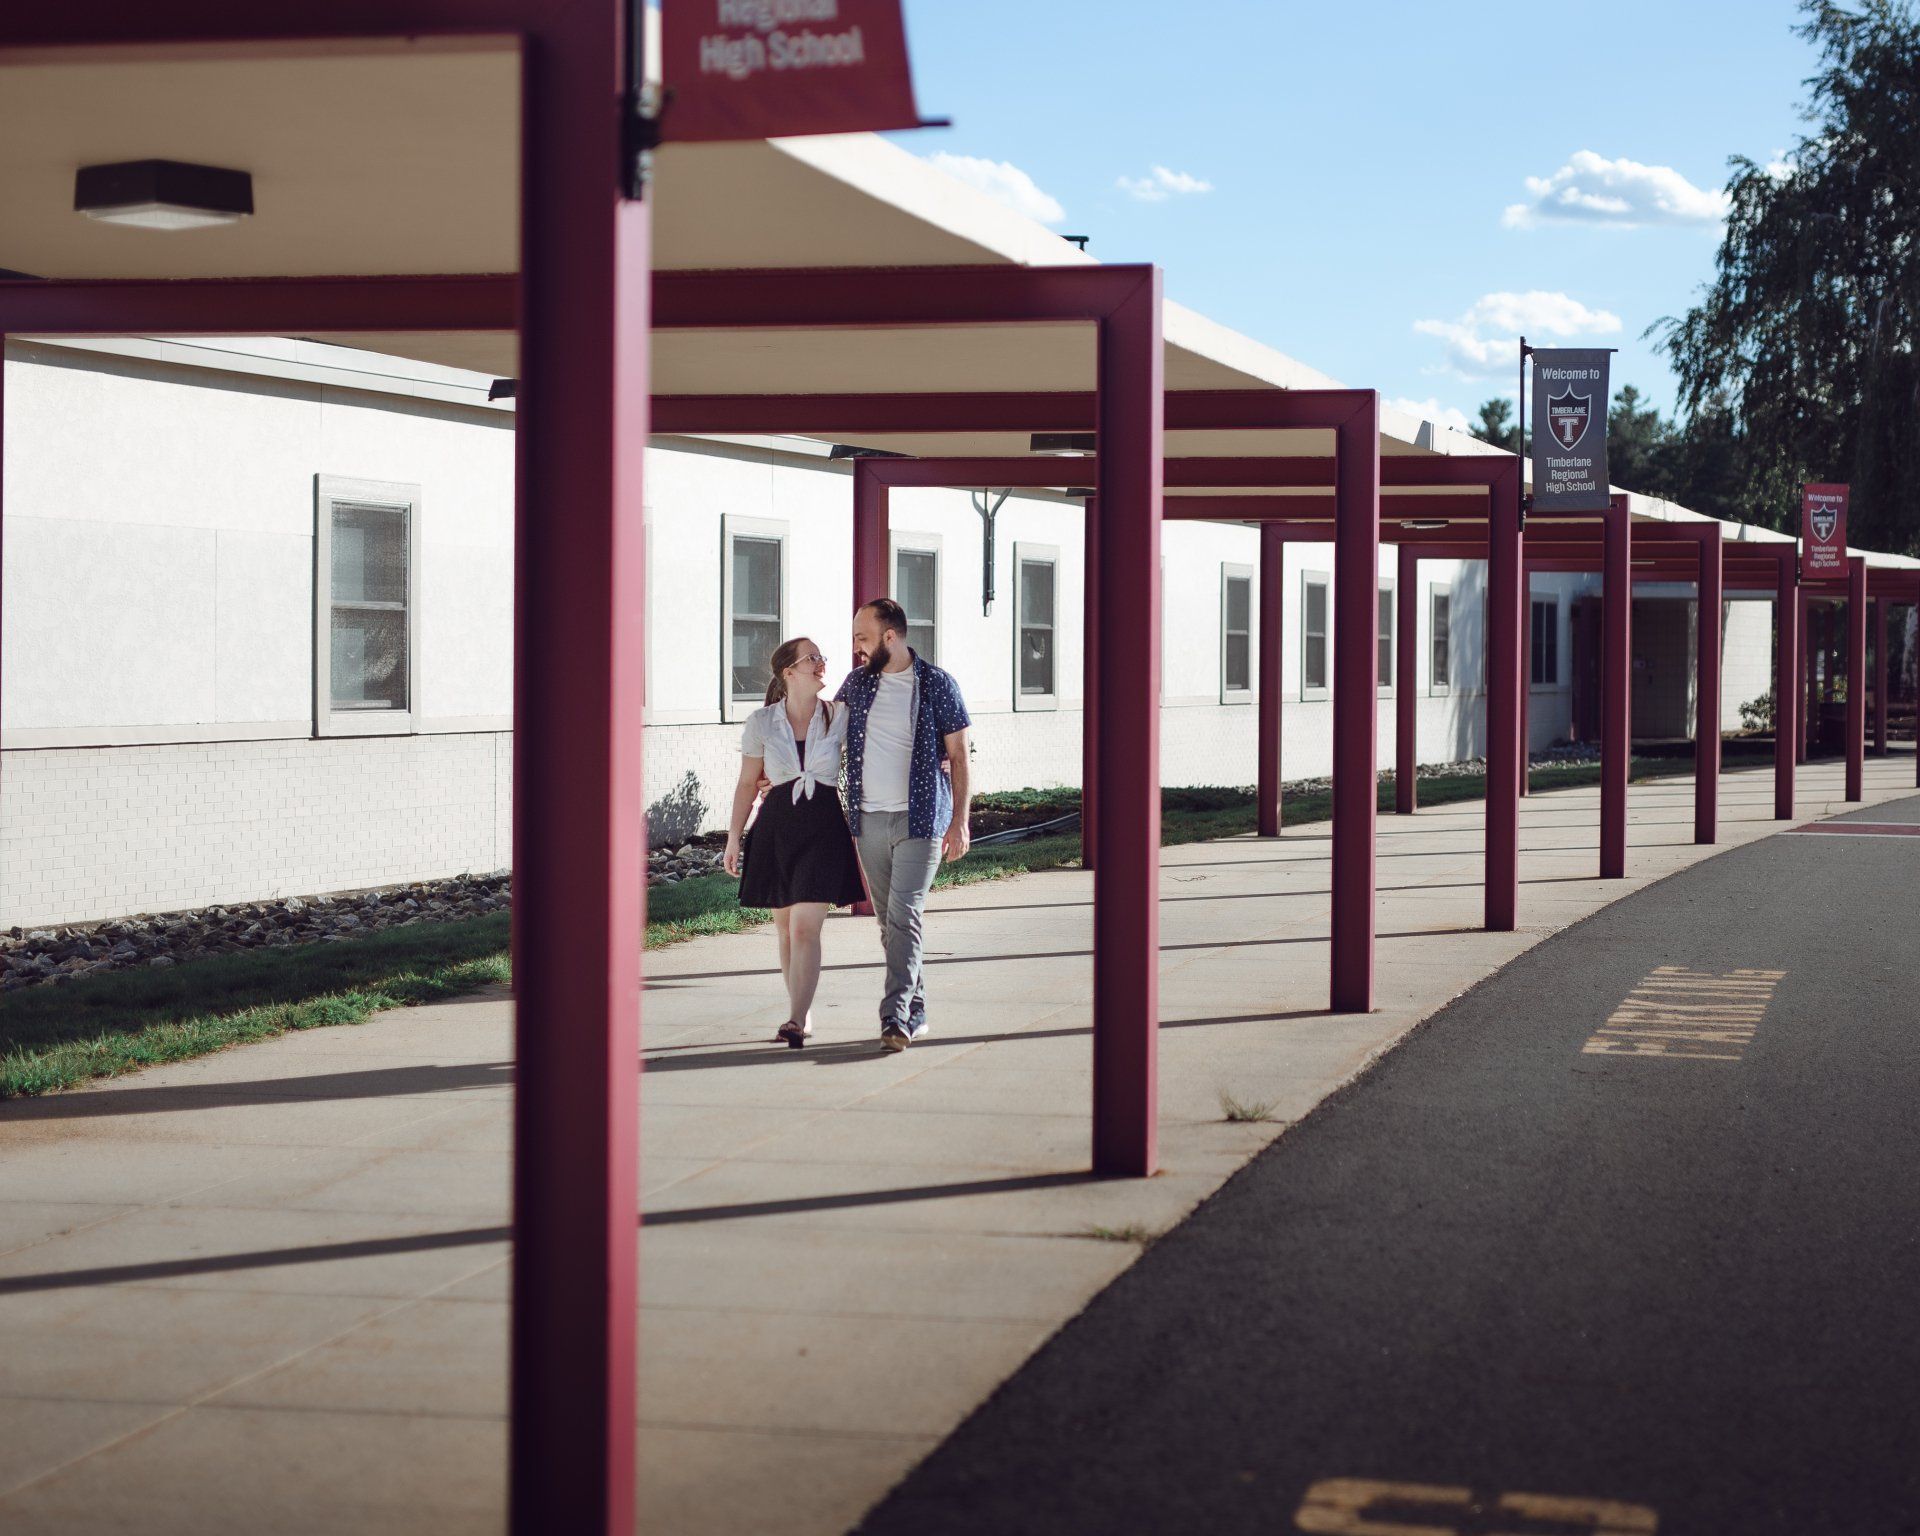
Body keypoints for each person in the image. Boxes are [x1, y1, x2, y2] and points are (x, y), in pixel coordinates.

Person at [836, 597, 973, 1053]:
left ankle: (893, 1018)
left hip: (922, 819)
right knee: (888, 922)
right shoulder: (856, 685)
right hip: (868, 820)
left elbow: (958, 757)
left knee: (905, 914)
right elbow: (823, 735)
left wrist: (960, 822)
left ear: (889, 637)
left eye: (863, 637)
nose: (856, 645)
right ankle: (917, 1009)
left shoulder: (937, 684)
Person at [723, 637, 868, 1048]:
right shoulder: (761, 722)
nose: (823, 664)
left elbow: (879, 742)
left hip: (823, 827)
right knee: (785, 931)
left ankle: (795, 1018)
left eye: (823, 657)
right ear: (789, 672)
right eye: (813, 658)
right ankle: (802, 1011)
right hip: (776, 830)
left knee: (805, 930)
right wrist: (734, 838)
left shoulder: (839, 715)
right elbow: (748, 782)